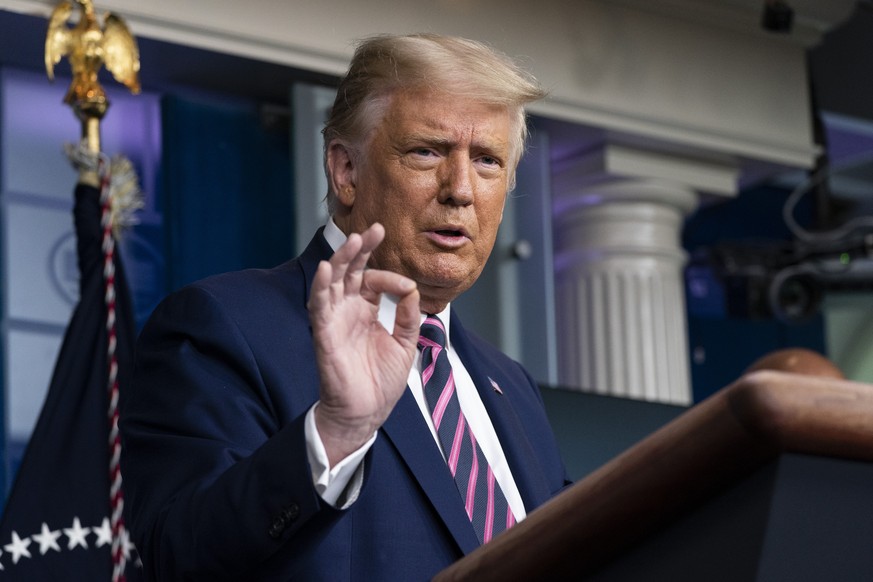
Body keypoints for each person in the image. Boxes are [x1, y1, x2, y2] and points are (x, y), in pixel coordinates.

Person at [120, 33, 571, 581]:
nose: (460, 189)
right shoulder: (222, 326)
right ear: (345, 172)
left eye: (487, 161)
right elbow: (180, 554)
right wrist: (335, 433)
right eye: (427, 151)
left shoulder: (511, 386)